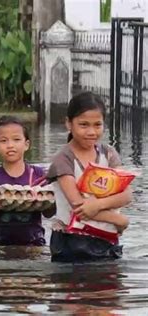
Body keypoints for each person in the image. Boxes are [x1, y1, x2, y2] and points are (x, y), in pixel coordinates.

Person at [46, 91, 131, 262]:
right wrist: (118, 220)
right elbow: (78, 206)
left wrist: (99, 206)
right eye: (83, 125)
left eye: (97, 125)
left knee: (109, 287)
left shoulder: (108, 154)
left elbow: (126, 194)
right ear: (68, 124)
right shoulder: (63, 159)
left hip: (106, 238)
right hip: (71, 243)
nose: (91, 132)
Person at [0, 116, 55, 246]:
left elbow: (48, 214)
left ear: (26, 144)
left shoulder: (37, 174)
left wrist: (50, 201)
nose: (10, 145)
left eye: (16, 139)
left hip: (34, 243)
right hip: (2, 243)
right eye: (3, 141)